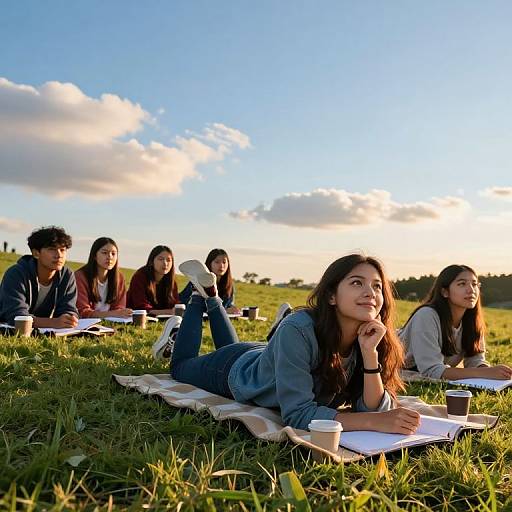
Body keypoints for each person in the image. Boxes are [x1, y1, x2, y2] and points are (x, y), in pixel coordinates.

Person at [164, 255, 420, 433]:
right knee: (179, 368)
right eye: (357, 283)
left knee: (230, 346)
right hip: (232, 370)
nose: (370, 293)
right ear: (331, 296)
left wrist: (369, 354)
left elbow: (372, 408)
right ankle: (200, 297)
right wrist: (373, 423)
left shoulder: (370, 337)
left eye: (377, 286)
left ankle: (212, 296)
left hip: (265, 357)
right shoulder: (297, 328)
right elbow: (298, 415)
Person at [399, 264, 512, 380]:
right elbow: (431, 370)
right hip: (393, 363)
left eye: (474, 284)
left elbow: (475, 362)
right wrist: (485, 373)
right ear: (445, 292)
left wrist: (493, 372)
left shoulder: (472, 320)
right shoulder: (426, 315)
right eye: (462, 284)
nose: (471, 290)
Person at [0, 226, 78, 328]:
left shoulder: (67, 275)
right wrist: (54, 323)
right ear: (36, 253)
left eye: (62, 250)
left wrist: (69, 319)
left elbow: (69, 308)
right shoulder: (16, 274)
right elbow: (17, 316)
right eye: (52, 249)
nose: (59, 255)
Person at [75, 237, 131, 319]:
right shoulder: (80, 276)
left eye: (113, 253)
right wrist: (113, 314)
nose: (110, 257)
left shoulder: (119, 278)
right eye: (104, 253)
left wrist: (119, 313)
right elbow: (83, 312)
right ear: (94, 255)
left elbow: (119, 308)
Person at [179, 248, 239, 314]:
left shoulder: (229, 285)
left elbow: (229, 304)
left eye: (224, 262)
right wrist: (225, 310)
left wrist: (233, 309)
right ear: (209, 263)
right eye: (217, 262)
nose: (221, 265)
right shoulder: (197, 281)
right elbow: (183, 302)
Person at [127, 245, 179, 316]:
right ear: (151, 261)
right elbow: (141, 308)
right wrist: (169, 312)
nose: (165, 263)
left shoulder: (171, 280)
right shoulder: (140, 276)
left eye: (168, 260)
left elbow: (173, 304)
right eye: (161, 259)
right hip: (135, 317)